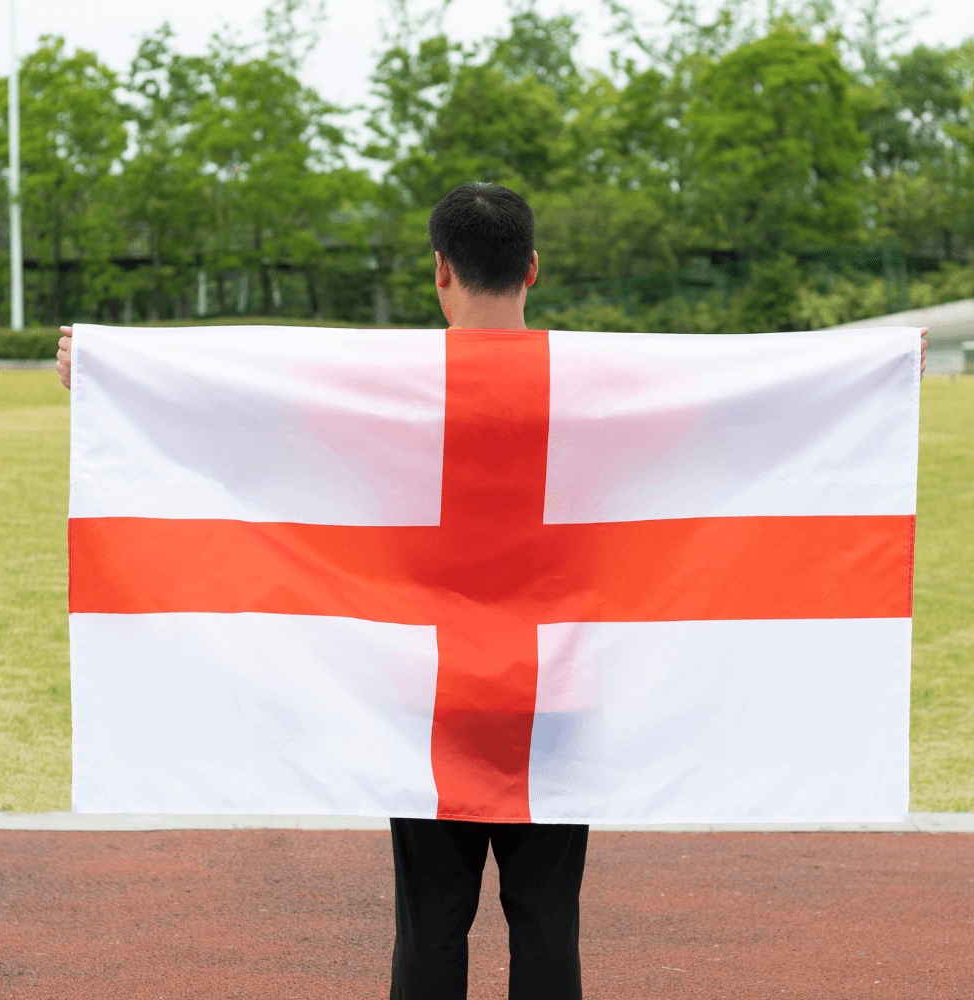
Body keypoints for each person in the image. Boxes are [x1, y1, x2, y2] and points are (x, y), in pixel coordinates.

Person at [55, 182, 930, 999]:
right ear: (533, 269)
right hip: (559, 695)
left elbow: (249, 420)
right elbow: (740, 413)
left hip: (424, 696)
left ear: (439, 271)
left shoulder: (384, 396)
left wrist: (107, 381)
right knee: (548, 923)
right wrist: (877, 377)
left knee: (429, 927)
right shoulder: (601, 393)